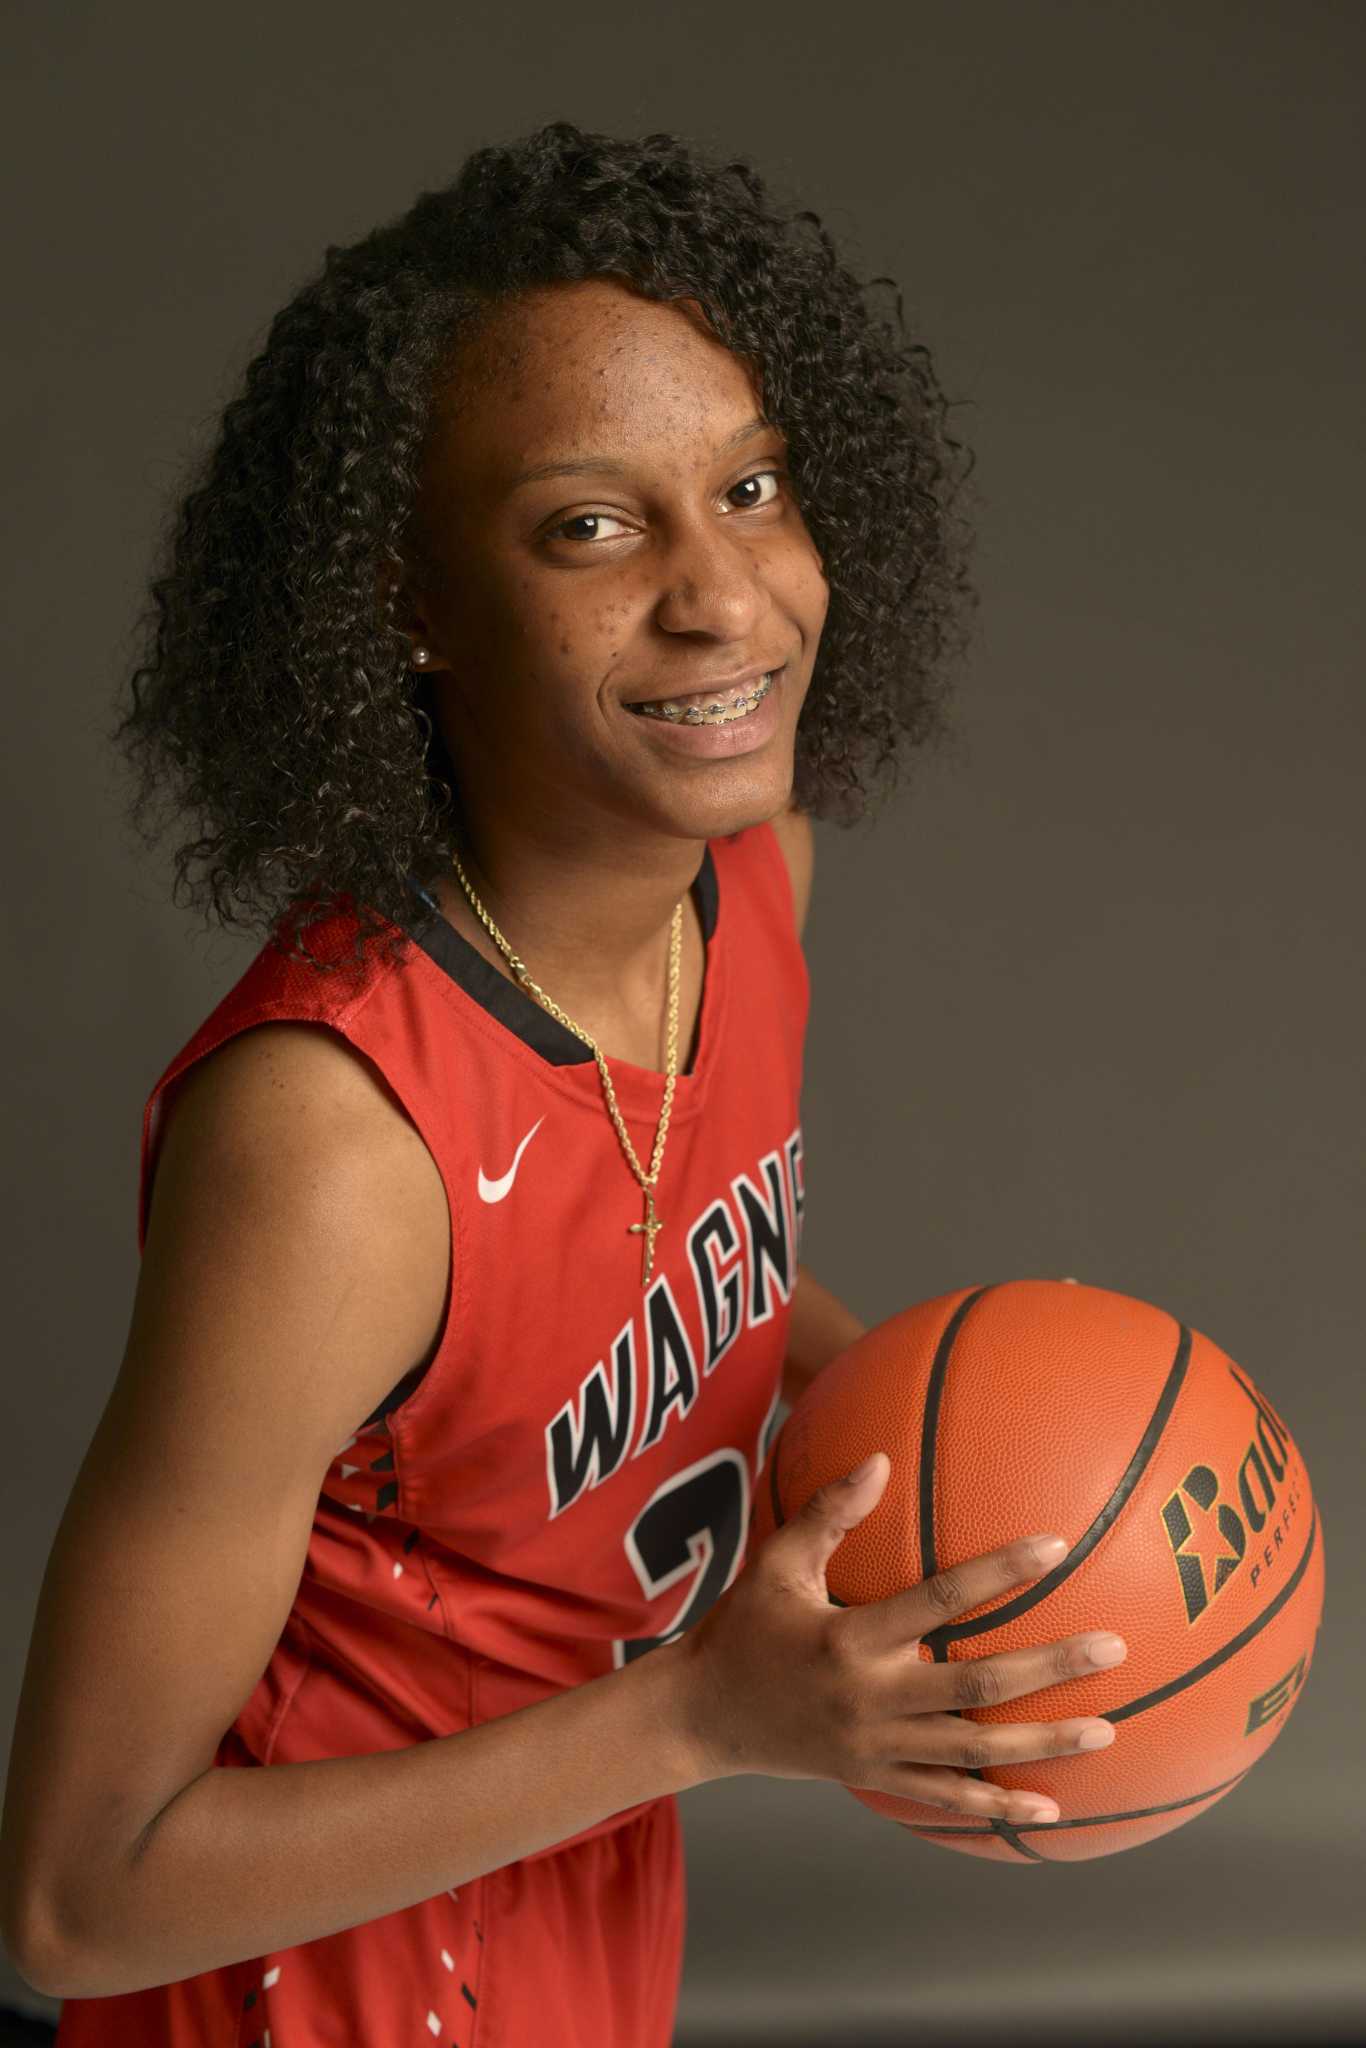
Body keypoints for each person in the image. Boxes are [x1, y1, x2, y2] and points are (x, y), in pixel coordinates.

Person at [1, 120, 1125, 2046]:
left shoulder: (745, 882)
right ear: (412, 602)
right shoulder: (332, 1142)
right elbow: (75, 1901)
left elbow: (667, 1292)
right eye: (591, 527)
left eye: (751, 488)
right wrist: (701, 1715)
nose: (723, 600)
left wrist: (983, 1481)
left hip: (583, 1925)